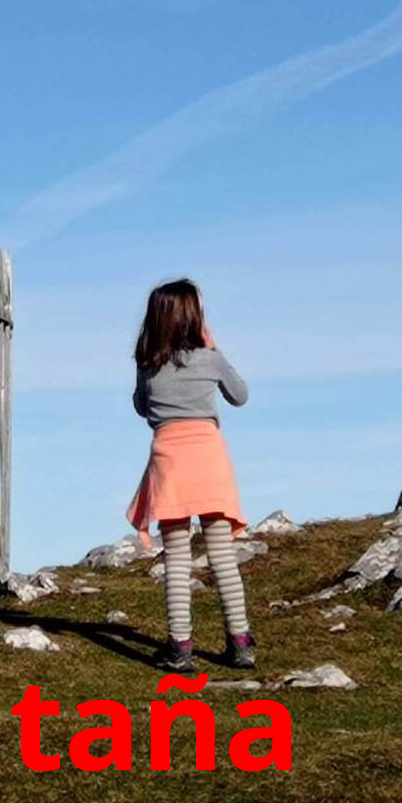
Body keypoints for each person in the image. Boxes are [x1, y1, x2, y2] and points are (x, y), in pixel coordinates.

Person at [127, 277, 254, 672]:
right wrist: (214, 348)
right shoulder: (209, 358)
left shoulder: (148, 363)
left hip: (169, 462)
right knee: (222, 557)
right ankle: (241, 642)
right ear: (194, 317)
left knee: (177, 559)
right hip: (209, 458)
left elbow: (141, 408)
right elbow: (240, 395)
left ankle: (180, 647)